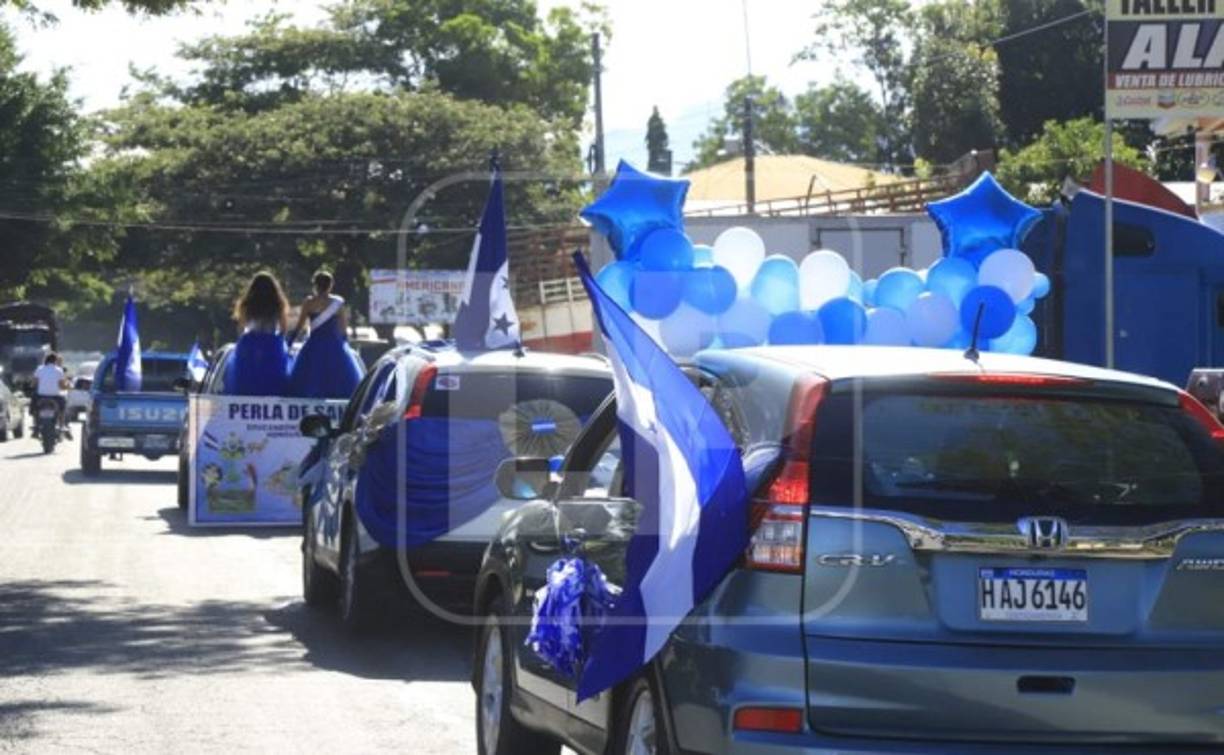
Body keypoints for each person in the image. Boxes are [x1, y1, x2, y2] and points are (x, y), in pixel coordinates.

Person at [286, 270, 364, 399]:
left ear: (315, 285)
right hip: (335, 346)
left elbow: (300, 325)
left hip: (313, 346)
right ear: (331, 285)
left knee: (309, 378)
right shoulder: (338, 303)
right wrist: (345, 343)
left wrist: (290, 341)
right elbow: (343, 328)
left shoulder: (309, 302)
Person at [223, 271, 292, 396]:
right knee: (273, 375)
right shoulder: (278, 304)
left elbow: (241, 326)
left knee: (246, 374)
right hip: (271, 343)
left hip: (250, 342)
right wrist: (279, 341)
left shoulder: (247, 303)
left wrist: (242, 340)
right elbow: (284, 327)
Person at [33, 352, 71, 438]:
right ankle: (61, 426)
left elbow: (34, 383)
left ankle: (36, 425)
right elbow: (62, 386)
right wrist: (67, 387)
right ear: (55, 361)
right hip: (55, 396)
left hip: (41, 396)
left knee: (34, 407)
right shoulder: (59, 370)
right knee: (63, 408)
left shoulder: (39, 369)